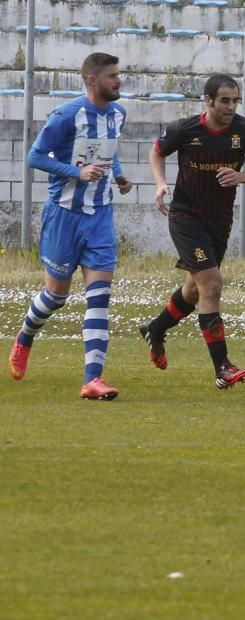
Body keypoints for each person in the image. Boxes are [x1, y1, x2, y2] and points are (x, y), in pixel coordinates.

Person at [7, 52, 132, 400]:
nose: (118, 81)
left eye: (118, 75)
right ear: (92, 80)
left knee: (100, 298)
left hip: (101, 216)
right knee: (56, 297)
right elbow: (34, 157)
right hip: (64, 215)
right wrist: (77, 173)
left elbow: (109, 149)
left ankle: (93, 379)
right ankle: (25, 336)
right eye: (111, 76)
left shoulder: (119, 113)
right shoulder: (67, 115)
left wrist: (118, 174)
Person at [141, 74, 245, 389]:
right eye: (224, 100)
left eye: (235, 100)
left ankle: (155, 329)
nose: (230, 106)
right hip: (185, 217)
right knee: (211, 285)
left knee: (194, 290)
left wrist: (241, 177)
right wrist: (160, 184)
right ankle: (222, 368)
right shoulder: (183, 130)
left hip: (218, 221)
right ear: (209, 100)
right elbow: (156, 151)